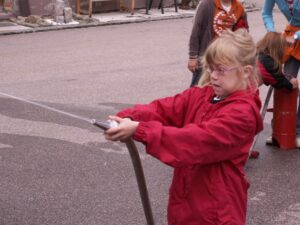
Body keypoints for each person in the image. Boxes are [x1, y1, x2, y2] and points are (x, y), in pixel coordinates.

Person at [104, 29, 263, 225]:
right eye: (210, 68)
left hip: (216, 212)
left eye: (220, 70)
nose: (213, 76)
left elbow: (197, 140)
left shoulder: (242, 114)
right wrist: (125, 117)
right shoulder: (203, 95)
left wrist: (140, 130)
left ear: (246, 71)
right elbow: (163, 109)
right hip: (185, 202)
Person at [262, 0, 300, 144]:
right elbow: (266, 13)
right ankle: (279, 130)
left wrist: (296, 36)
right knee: (286, 83)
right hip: (291, 38)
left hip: (295, 37)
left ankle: (297, 132)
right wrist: (272, 32)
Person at [187, 0, 249, 87]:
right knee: (198, 87)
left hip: (226, 57)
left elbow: (243, 34)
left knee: (221, 88)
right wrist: (192, 57)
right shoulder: (206, 5)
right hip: (206, 57)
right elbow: (196, 31)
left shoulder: (239, 8)